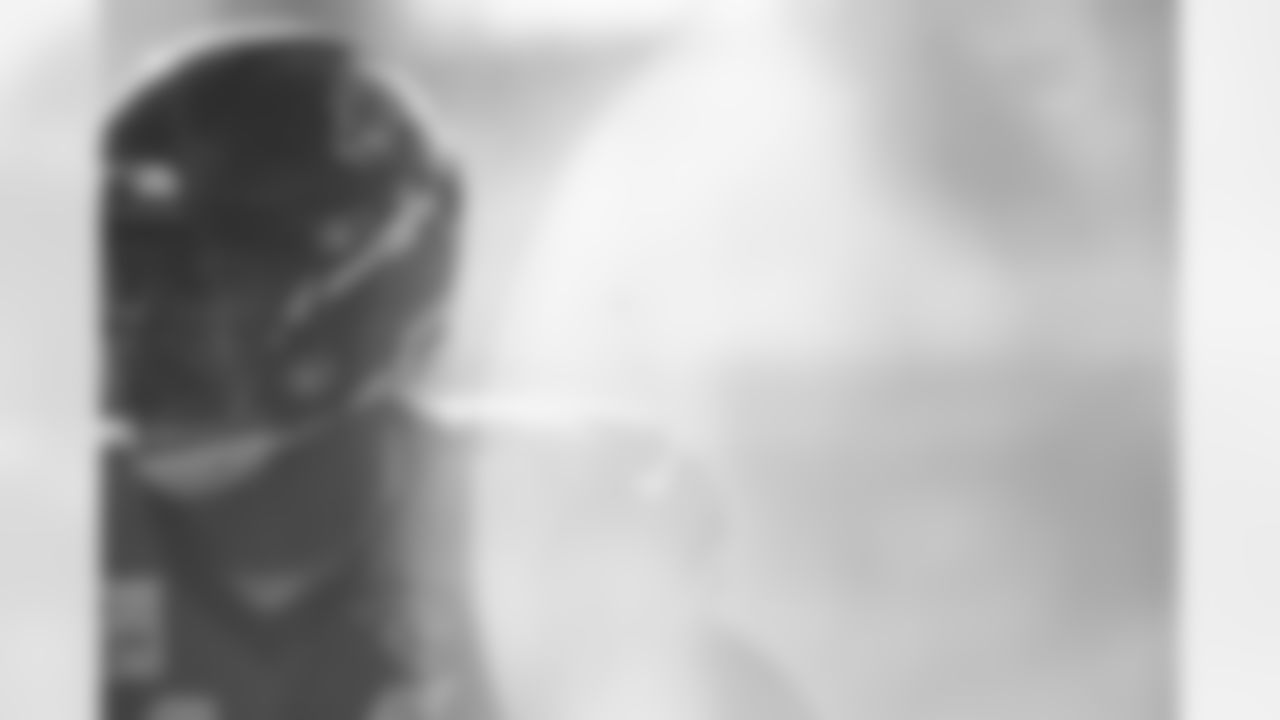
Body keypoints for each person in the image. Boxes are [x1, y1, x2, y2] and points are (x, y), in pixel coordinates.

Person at [102, 32, 496, 720]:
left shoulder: (547, 539)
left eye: (203, 285)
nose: (140, 336)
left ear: (380, 293)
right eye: (121, 282)